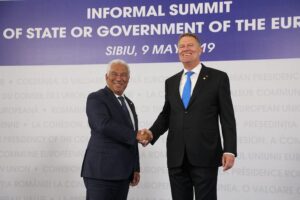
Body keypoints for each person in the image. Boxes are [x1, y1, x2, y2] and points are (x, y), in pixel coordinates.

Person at [138, 33, 237, 200]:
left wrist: (230, 150)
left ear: (201, 49)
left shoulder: (218, 78)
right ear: (178, 51)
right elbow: (167, 114)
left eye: (190, 45)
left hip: (205, 154)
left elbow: (227, 117)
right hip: (177, 157)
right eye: (182, 46)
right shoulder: (171, 82)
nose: (185, 49)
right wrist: (151, 133)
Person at [81, 59, 140, 200]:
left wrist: (135, 168)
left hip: (123, 174)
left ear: (128, 79)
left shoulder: (129, 103)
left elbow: (132, 139)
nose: (119, 78)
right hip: (100, 173)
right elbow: (102, 125)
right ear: (106, 77)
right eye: (114, 74)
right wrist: (136, 135)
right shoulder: (96, 98)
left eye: (123, 75)